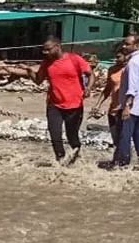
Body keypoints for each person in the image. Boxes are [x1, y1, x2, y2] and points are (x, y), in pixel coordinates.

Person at [9, 36, 91, 166]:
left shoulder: (75, 59)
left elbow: (90, 74)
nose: (45, 53)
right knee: (55, 135)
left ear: (57, 47)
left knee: (72, 135)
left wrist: (88, 88)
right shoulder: (46, 63)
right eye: (44, 50)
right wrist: (29, 71)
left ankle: (75, 154)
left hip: (74, 105)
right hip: (54, 104)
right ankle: (60, 161)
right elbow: (38, 81)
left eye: (48, 50)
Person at [110, 33, 139, 169]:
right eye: (124, 43)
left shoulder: (133, 62)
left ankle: (123, 165)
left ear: (136, 46)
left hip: (132, 106)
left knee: (125, 136)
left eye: (127, 44)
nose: (124, 46)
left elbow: (132, 87)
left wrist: (127, 106)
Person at [90, 46, 128, 146]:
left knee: (123, 139)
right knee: (116, 139)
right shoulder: (112, 70)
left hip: (125, 109)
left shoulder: (129, 70)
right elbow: (108, 89)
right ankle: (118, 159)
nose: (116, 59)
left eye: (118, 57)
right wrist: (98, 104)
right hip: (113, 109)